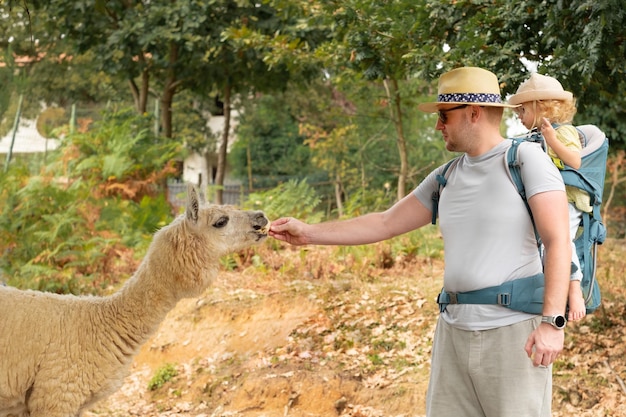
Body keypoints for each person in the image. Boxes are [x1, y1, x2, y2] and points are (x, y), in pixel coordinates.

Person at [270, 67, 572, 417]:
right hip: (453, 336)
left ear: (474, 113)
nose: (437, 126)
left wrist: (553, 322)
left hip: (513, 336)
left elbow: (558, 240)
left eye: (444, 116)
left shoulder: (525, 161)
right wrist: (308, 233)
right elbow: (385, 222)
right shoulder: (445, 177)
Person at [509, 73, 590, 322]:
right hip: (548, 197)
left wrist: (552, 139)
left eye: (522, 111)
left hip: (569, 198)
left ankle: (575, 289)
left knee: (559, 239)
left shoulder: (564, 132)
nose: (518, 117)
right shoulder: (531, 139)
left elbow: (575, 161)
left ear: (540, 106)